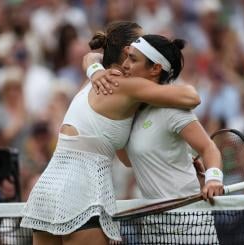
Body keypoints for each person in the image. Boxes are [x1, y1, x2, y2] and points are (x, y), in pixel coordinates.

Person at [20, 21, 201, 245]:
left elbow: (126, 158)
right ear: (127, 51)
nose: (145, 45)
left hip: (46, 194)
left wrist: (174, 159)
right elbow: (191, 97)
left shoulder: (95, 80)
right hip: (82, 195)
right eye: (139, 44)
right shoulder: (126, 85)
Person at [87, 34, 223, 244]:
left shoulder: (172, 110)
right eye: (126, 58)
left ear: (155, 69)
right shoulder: (130, 112)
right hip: (153, 227)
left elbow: (208, 148)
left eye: (133, 59)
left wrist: (213, 179)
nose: (125, 65)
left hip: (189, 225)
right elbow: (127, 160)